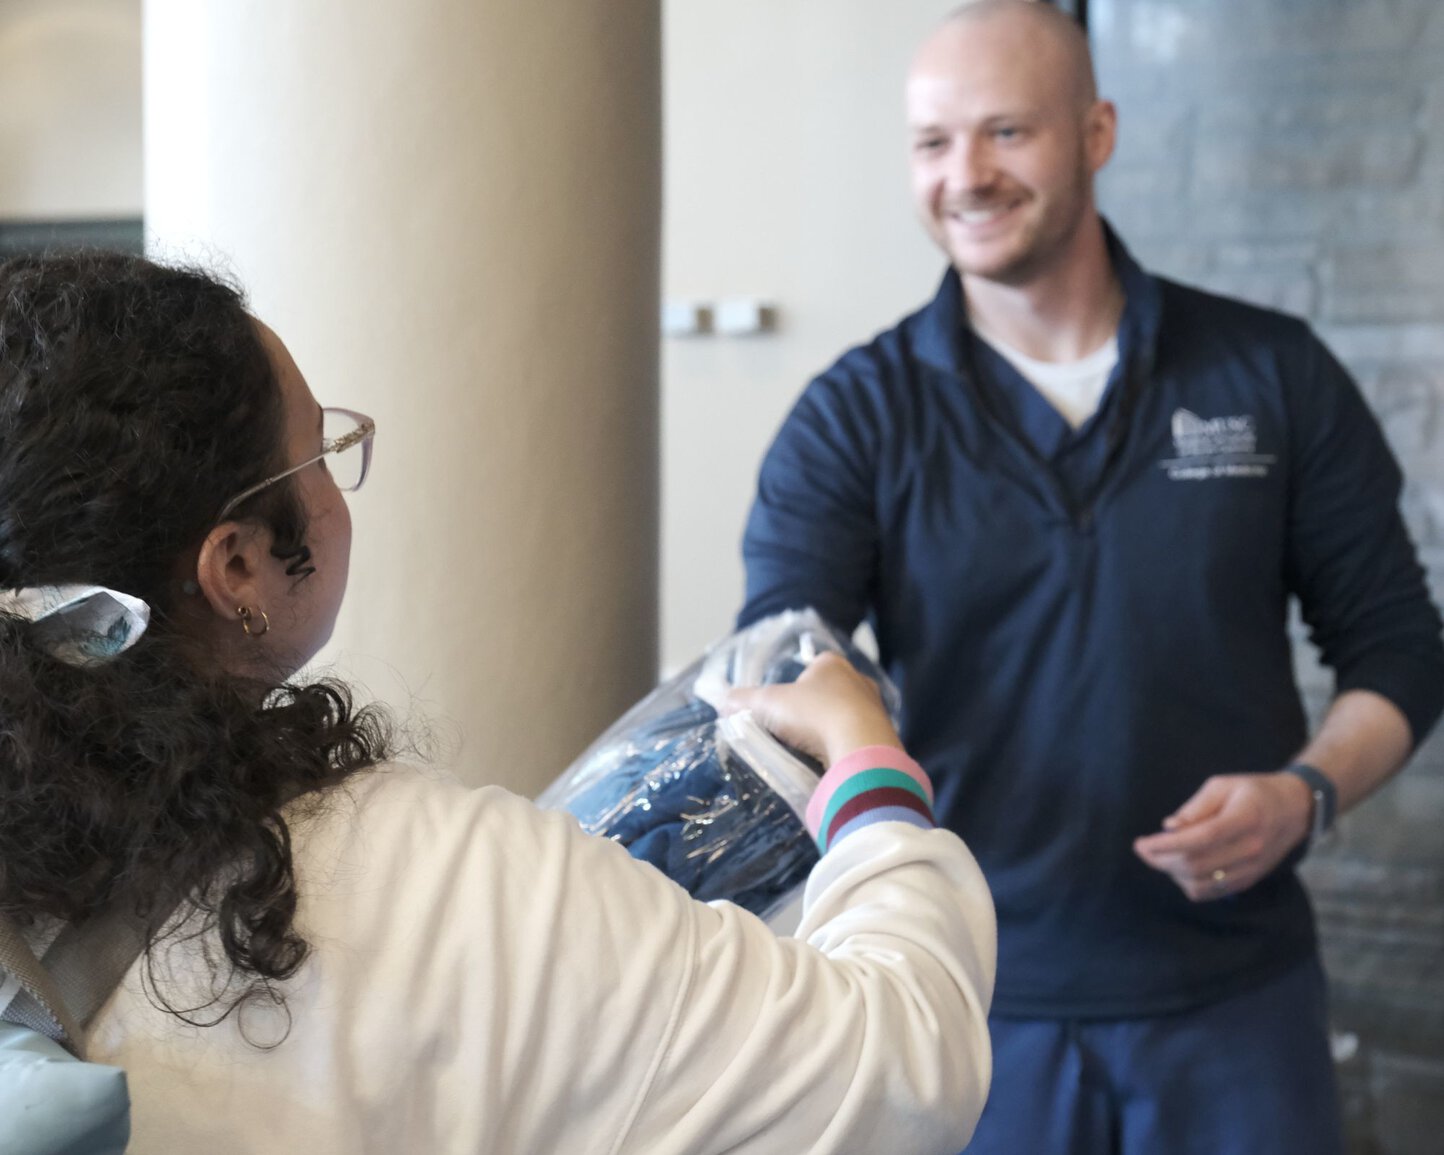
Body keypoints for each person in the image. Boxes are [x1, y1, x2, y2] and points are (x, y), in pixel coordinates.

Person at [0, 251, 997, 1155]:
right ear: (240, 567)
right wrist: (870, 779)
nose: (338, 484)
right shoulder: (416, 886)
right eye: (318, 455)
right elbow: (899, 1072)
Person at [738, 3, 1444, 1153]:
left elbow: (1402, 649)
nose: (963, 175)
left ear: (1097, 132)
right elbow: (785, 678)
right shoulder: (852, 418)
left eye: (1005, 133)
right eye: (931, 142)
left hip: (1236, 1005)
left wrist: (1305, 795)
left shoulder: (1269, 373)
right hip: (965, 1005)